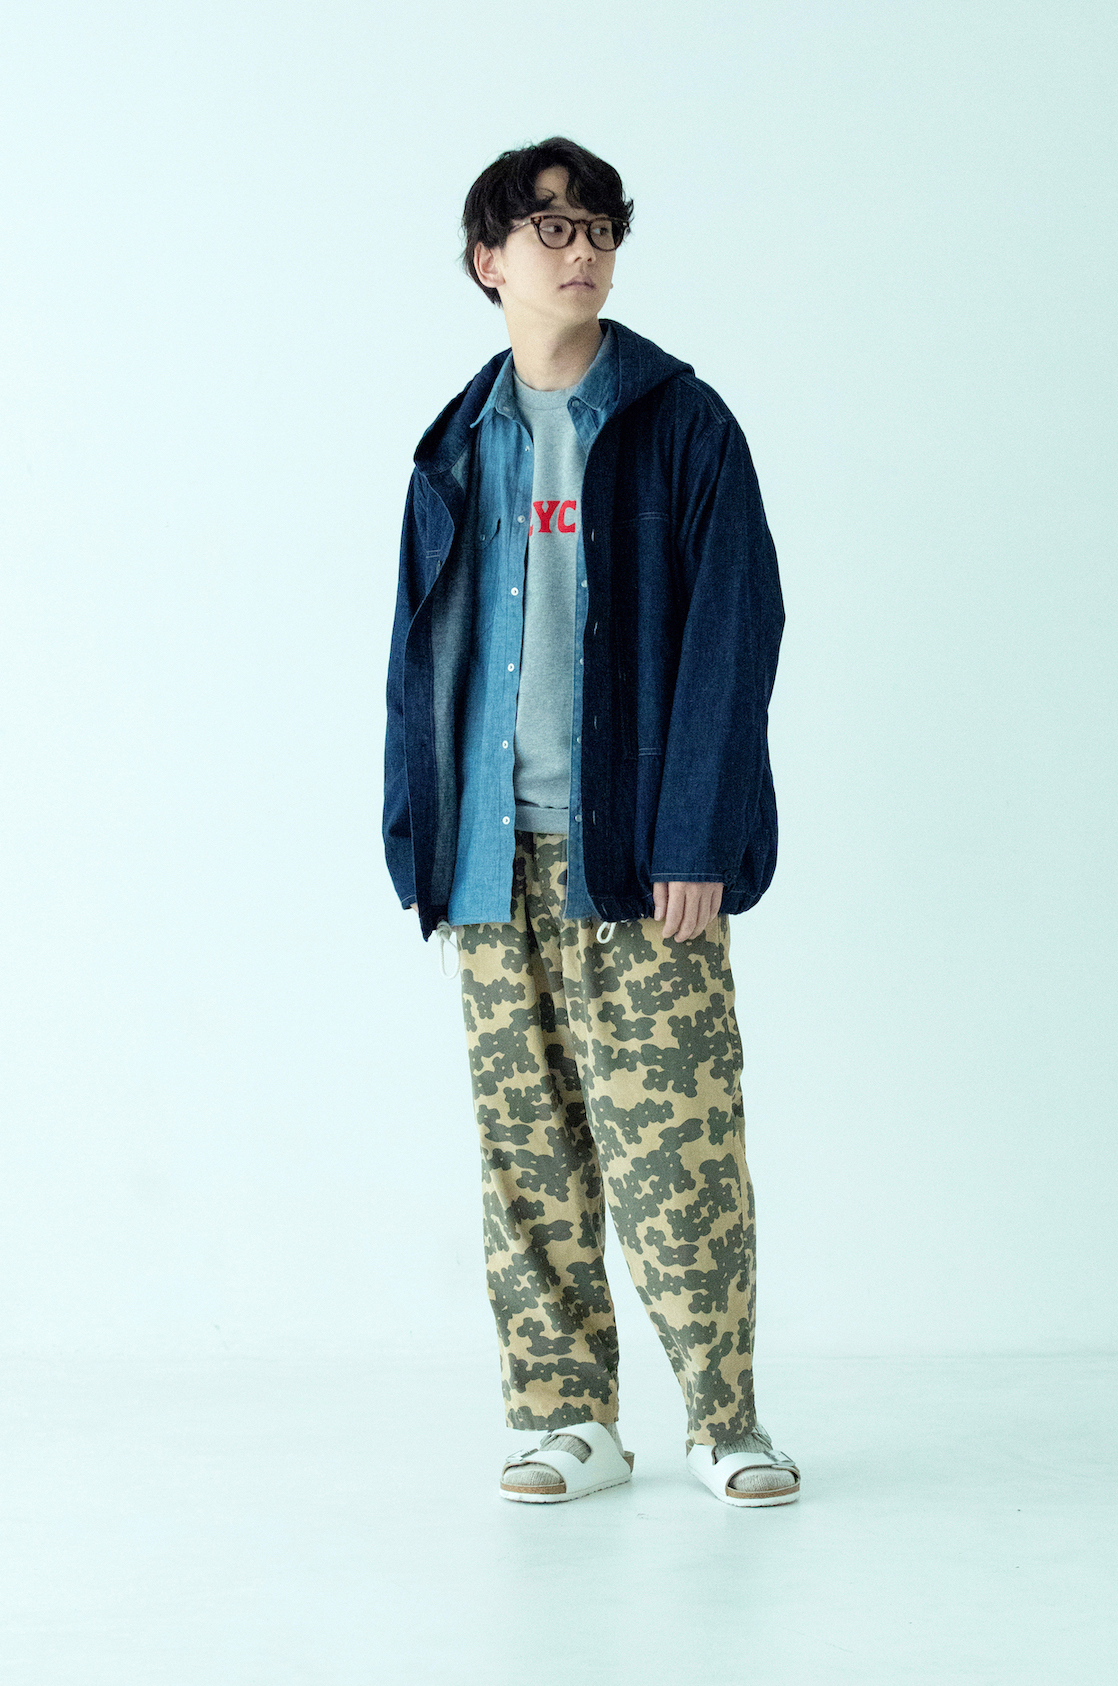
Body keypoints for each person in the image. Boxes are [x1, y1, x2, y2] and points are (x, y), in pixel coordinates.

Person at [383, 136, 797, 1508]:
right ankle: (568, 1420)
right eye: (549, 228)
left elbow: (736, 632)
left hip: (635, 855)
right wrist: (418, 831)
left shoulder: (681, 425)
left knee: (679, 1150)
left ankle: (723, 1420)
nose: (581, 249)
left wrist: (699, 835)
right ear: (487, 262)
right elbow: (417, 657)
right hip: (487, 857)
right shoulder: (456, 442)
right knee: (529, 1160)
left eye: (599, 227)